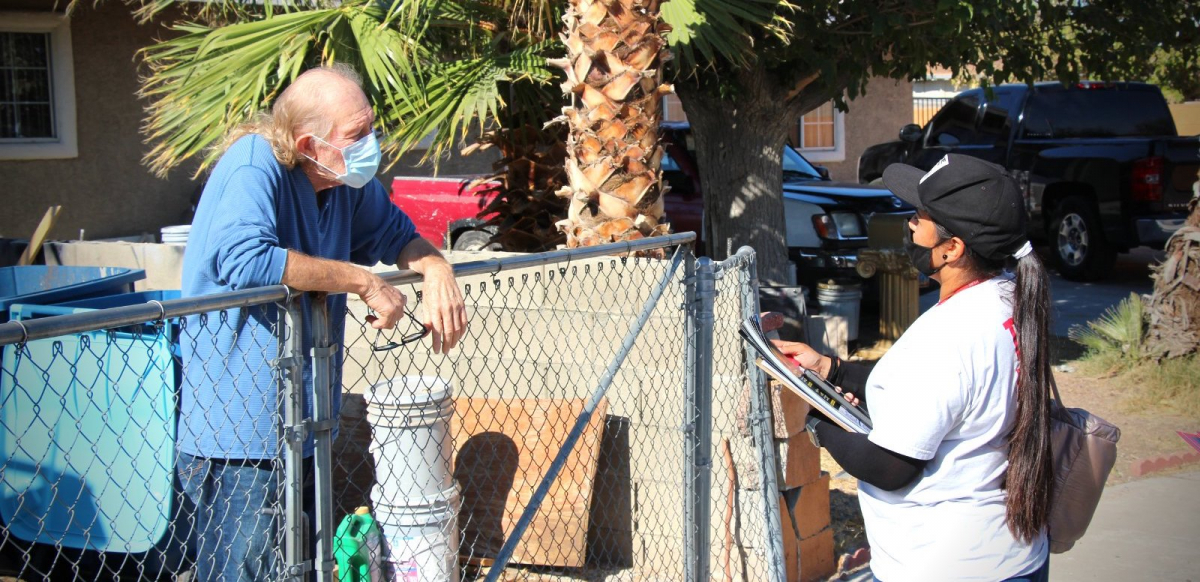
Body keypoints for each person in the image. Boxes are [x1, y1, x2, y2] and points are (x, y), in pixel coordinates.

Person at [175, 64, 468, 581]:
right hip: (241, 438)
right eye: (357, 135)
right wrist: (360, 280)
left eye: (370, 128)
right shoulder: (252, 167)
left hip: (308, 424)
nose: (370, 144)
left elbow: (396, 234)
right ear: (309, 143)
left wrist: (435, 266)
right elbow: (245, 260)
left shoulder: (342, 180)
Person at [772, 154, 1054, 581]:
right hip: (1013, 554)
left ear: (952, 247)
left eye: (921, 216)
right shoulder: (1007, 299)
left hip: (950, 565)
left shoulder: (952, 335)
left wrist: (817, 418)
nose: (909, 223)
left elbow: (890, 467)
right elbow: (932, 390)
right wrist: (832, 370)